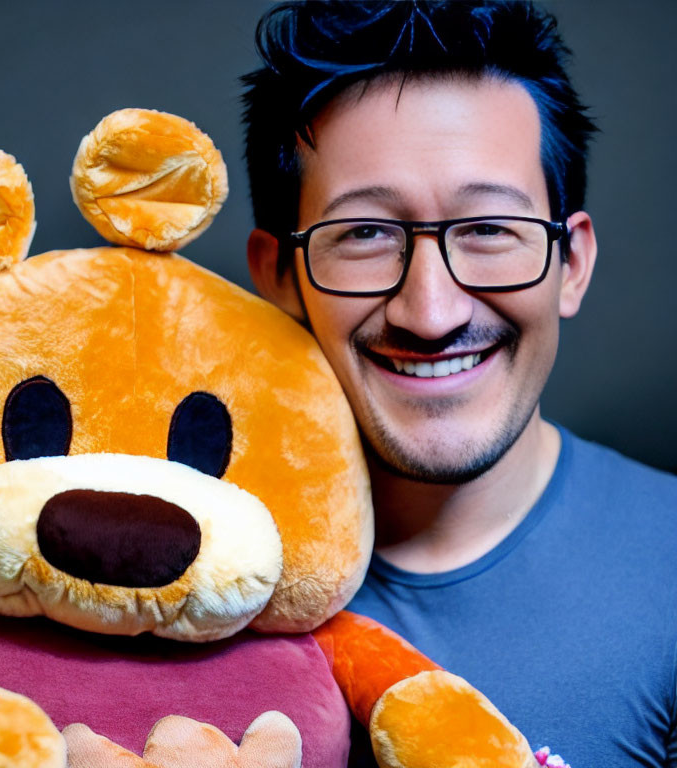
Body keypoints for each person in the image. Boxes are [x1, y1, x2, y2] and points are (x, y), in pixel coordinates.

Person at [242, 2, 677, 766]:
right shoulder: (179, 573)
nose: (431, 312)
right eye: (366, 235)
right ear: (279, 274)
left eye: (487, 229)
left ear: (571, 264)